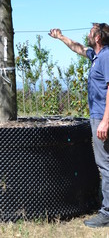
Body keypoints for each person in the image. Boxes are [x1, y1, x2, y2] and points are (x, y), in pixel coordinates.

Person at [49, 23, 109, 229]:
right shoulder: (96, 57)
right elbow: (78, 47)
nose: (88, 35)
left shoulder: (107, 57)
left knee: (105, 165)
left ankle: (106, 213)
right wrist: (60, 37)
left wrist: (105, 120)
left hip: (103, 118)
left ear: (99, 37)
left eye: (91, 33)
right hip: (99, 117)